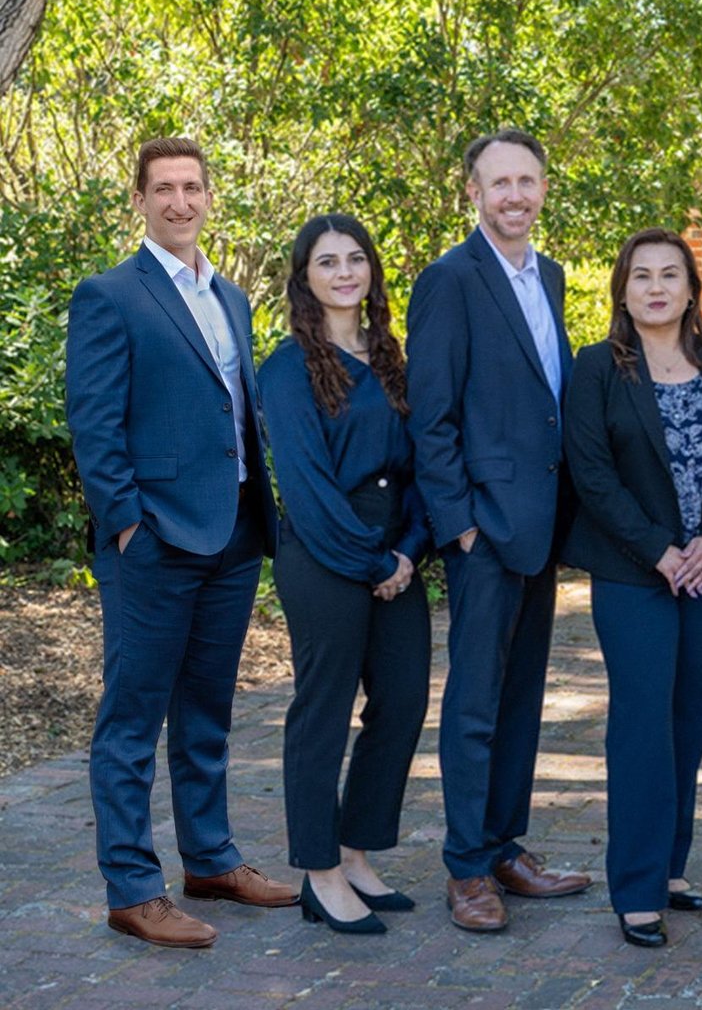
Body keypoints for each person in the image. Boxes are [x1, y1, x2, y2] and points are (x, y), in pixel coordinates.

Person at [67, 136, 297, 948]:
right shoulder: (110, 295)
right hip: (154, 539)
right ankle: (133, 888)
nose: (179, 202)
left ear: (208, 196)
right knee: (132, 720)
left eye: (191, 187)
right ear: (139, 199)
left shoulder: (229, 295)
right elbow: (94, 425)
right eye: (162, 188)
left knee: (207, 709)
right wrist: (128, 521)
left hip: (232, 532)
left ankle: (210, 858)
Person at [407, 128, 590, 933]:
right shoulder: (449, 279)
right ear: (473, 192)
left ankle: (505, 845)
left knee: (521, 698)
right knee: (476, 703)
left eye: (527, 181)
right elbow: (432, 416)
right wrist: (460, 527)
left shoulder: (547, 275)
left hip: (540, 527)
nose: (515, 195)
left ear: (543, 189)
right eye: (499, 182)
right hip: (483, 528)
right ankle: (467, 867)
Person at [563, 229, 702, 947]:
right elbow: (591, 473)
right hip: (632, 574)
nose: (655, 287)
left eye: (670, 274)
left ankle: (670, 869)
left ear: (691, 289)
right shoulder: (596, 367)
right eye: (641, 275)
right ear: (622, 289)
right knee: (643, 723)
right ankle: (637, 890)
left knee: (690, 716)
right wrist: (659, 552)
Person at [260, 214, 433, 935]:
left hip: (396, 549)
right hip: (324, 551)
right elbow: (306, 486)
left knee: (403, 699)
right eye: (327, 262)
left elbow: (421, 463)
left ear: (372, 271)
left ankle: (356, 852)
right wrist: (372, 560)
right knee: (323, 708)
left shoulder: (393, 358)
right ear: (304, 277)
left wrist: (408, 551)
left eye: (355, 259)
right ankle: (320, 871)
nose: (343, 273)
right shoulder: (288, 368)